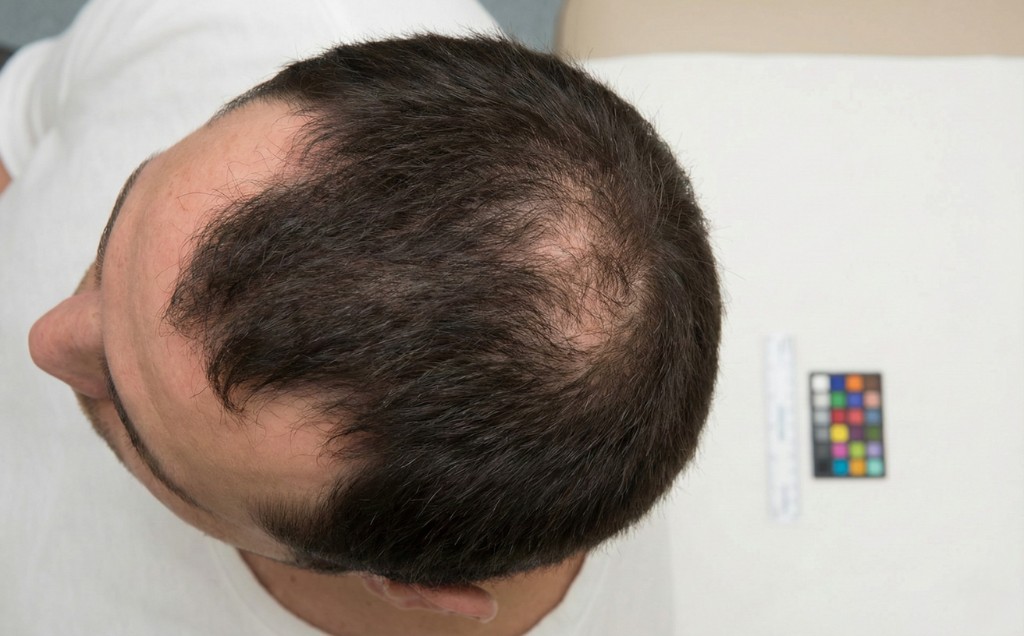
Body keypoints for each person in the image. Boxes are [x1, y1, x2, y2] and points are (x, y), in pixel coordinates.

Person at [0, 1, 721, 634]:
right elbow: (20, 125)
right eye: (118, 221)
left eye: (132, 419)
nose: (45, 336)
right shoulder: (241, 13)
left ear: (419, 591)